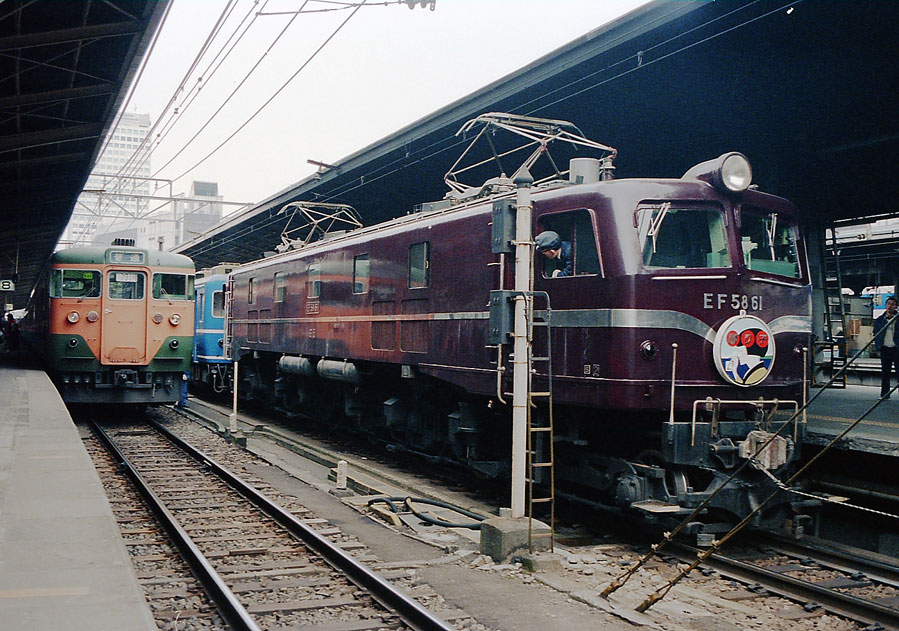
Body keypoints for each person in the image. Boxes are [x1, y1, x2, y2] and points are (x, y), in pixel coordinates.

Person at [873, 295, 899, 399]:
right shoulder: (879, 320)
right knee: (885, 372)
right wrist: (878, 345)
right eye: (888, 304)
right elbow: (876, 333)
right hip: (885, 348)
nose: (890, 306)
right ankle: (884, 394)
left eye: (892, 304)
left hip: (896, 348)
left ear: (896, 307)